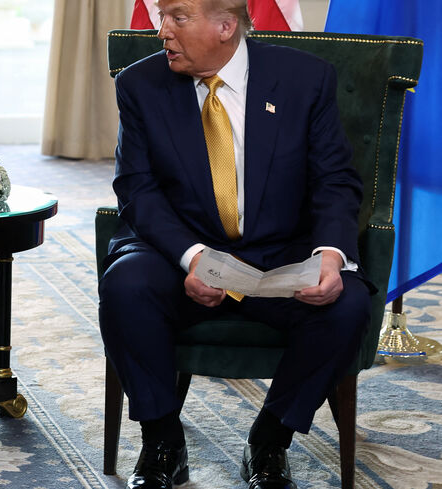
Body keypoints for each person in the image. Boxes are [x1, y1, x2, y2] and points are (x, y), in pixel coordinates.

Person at [98, 0, 374, 488]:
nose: (162, 30)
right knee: (126, 284)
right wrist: (194, 257)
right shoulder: (140, 85)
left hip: (278, 252)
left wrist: (330, 255)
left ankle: (270, 440)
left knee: (347, 303)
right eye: (163, 16)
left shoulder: (304, 80)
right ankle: (162, 441)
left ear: (226, 26)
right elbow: (136, 190)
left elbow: (335, 181)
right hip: (181, 249)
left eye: (177, 17)